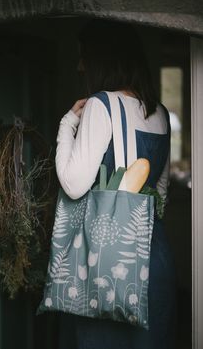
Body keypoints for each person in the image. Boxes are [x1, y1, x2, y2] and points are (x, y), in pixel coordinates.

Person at [55, 19, 177, 349]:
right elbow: (160, 194)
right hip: (155, 258)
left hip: (111, 265)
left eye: (84, 57)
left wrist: (67, 124)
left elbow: (73, 184)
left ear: (102, 58)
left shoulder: (101, 105)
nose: (80, 67)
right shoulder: (161, 114)